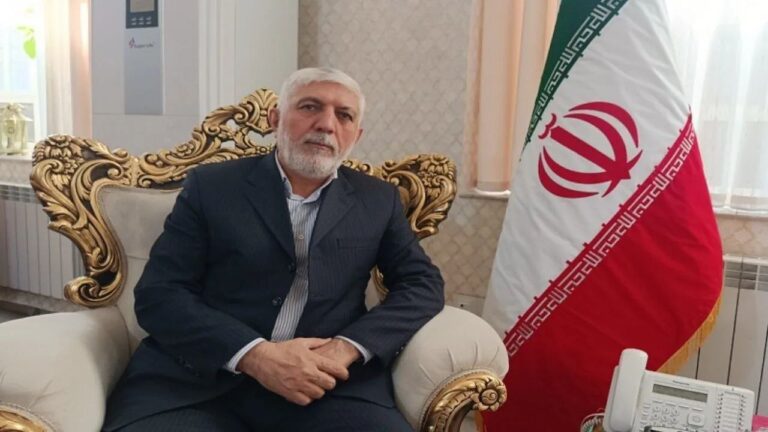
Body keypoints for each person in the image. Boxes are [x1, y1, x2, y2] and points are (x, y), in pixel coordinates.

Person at [102, 67, 445, 431]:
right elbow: (159, 294)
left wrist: (346, 347)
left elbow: (422, 284)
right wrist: (255, 355)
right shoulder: (212, 187)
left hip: (327, 386)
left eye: (344, 115)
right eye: (310, 107)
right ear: (275, 119)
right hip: (199, 382)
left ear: (355, 135)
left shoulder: (377, 200)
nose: (326, 124)